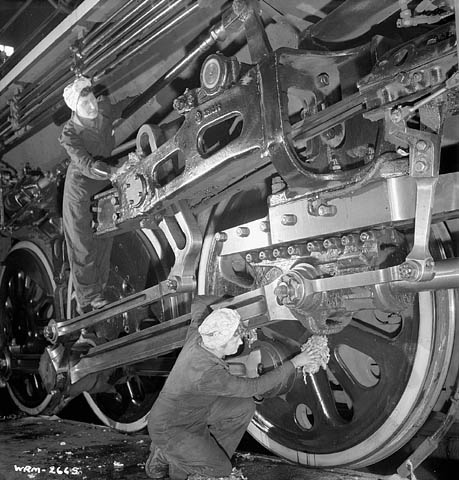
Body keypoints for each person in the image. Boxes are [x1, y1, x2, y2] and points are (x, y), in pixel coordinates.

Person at [146, 295, 322, 480]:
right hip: (171, 428)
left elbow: (199, 303)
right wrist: (294, 363)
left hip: (193, 411)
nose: (241, 343)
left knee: (243, 408)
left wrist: (231, 298)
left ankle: (205, 456)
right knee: (220, 470)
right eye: (235, 339)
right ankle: (170, 456)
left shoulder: (199, 336)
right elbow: (255, 386)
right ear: (221, 343)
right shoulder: (208, 375)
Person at [59, 76, 131, 314]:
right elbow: (85, 164)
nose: (91, 107)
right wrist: (113, 171)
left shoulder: (103, 109)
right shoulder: (69, 133)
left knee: (105, 236)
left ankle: (99, 291)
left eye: (91, 100)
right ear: (74, 109)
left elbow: (131, 103)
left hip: (104, 183)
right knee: (82, 243)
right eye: (84, 105)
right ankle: (87, 298)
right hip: (80, 188)